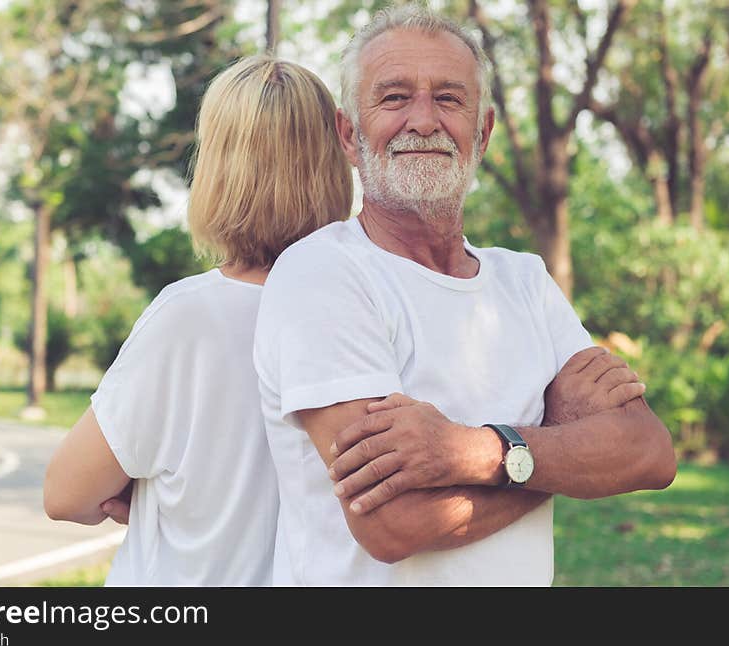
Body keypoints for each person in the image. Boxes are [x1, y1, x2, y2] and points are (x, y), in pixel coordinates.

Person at [253, 5, 677, 586]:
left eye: (449, 99)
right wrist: (558, 440)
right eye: (395, 97)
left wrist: (474, 451)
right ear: (349, 133)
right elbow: (395, 526)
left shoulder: (525, 281)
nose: (423, 121)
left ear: (483, 131)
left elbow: (649, 451)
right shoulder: (322, 274)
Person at [42, 55, 354, 586]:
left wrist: (135, 492)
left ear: (218, 169)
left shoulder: (187, 316)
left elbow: (65, 494)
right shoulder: (359, 312)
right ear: (331, 166)